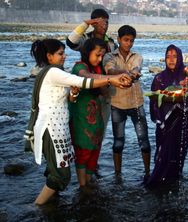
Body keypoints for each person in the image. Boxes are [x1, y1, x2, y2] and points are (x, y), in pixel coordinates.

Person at [29, 38, 131, 205]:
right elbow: (83, 80)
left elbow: (68, 96)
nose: (64, 57)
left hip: (58, 129)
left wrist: (74, 94)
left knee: (56, 170)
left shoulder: (55, 72)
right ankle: (35, 207)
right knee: (61, 175)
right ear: (49, 56)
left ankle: (50, 203)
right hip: (51, 128)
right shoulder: (54, 72)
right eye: (60, 54)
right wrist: (111, 79)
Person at [145, 44, 188, 188]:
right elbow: (153, 102)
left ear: (181, 58)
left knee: (179, 153)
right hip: (165, 125)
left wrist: (185, 95)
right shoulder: (159, 78)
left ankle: (175, 180)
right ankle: (159, 180)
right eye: (168, 56)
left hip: (183, 123)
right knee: (163, 152)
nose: (171, 60)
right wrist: (162, 110)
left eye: (175, 56)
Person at [103, 25, 151, 177]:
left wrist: (133, 73)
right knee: (118, 141)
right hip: (117, 104)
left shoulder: (137, 56)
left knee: (143, 140)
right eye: (125, 40)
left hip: (136, 103)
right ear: (118, 39)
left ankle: (148, 172)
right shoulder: (109, 56)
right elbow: (109, 71)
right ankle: (118, 174)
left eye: (131, 41)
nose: (129, 43)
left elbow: (137, 69)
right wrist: (127, 73)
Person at [69, 38, 113, 190]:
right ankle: (83, 188)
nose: (100, 59)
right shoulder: (79, 67)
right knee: (83, 152)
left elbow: (105, 93)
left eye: (102, 55)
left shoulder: (97, 70)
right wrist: (110, 79)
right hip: (82, 121)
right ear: (87, 53)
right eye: (97, 55)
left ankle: (88, 184)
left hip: (96, 121)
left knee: (94, 153)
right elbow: (85, 76)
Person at [66, 8, 117, 131]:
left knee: (101, 126)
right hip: (86, 86)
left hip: (104, 87)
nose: (105, 26)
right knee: (84, 124)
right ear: (94, 23)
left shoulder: (110, 44)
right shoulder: (85, 40)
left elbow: (114, 62)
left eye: (107, 23)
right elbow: (70, 41)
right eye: (101, 22)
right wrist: (86, 24)